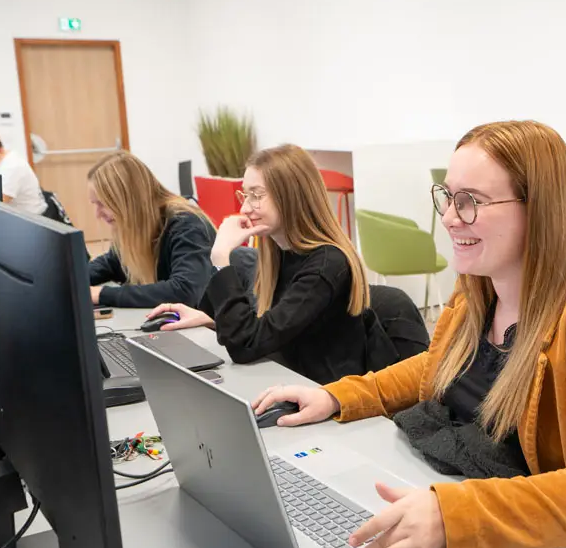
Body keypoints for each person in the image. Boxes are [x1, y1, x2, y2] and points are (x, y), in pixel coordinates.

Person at [252, 121, 566, 548]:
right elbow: (437, 365)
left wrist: (454, 515)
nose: (450, 218)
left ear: (539, 208)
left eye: (471, 201)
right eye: (448, 197)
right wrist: (338, 397)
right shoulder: (478, 286)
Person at [146, 144, 429, 384]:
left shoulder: (327, 263)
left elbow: (246, 345)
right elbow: (273, 330)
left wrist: (222, 260)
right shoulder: (279, 251)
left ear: (291, 197)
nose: (245, 207)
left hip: (328, 402)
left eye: (257, 195)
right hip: (292, 381)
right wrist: (212, 320)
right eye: (245, 195)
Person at [88, 150, 217, 309]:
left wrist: (101, 294)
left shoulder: (187, 225)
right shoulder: (138, 227)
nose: (97, 214)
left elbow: (184, 291)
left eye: (102, 203)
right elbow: (111, 264)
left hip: (205, 329)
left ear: (127, 200)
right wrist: (68, 281)